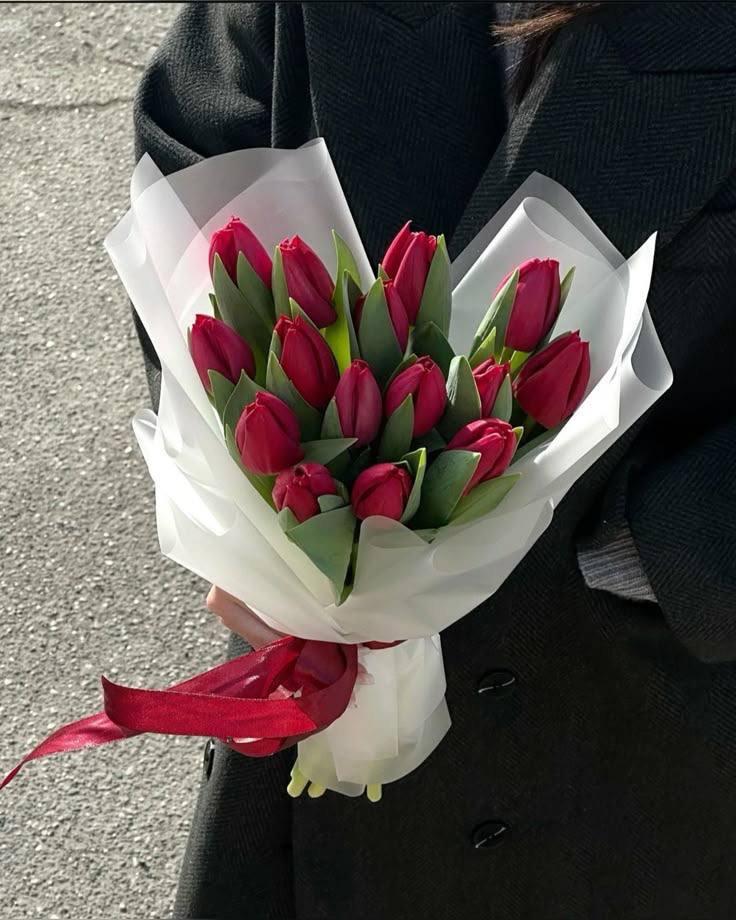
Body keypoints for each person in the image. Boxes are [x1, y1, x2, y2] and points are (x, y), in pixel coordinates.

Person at [133, 3, 736, 918]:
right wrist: (244, 497)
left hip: (645, 725)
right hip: (318, 716)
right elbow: (200, 127)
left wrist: (650, 552)